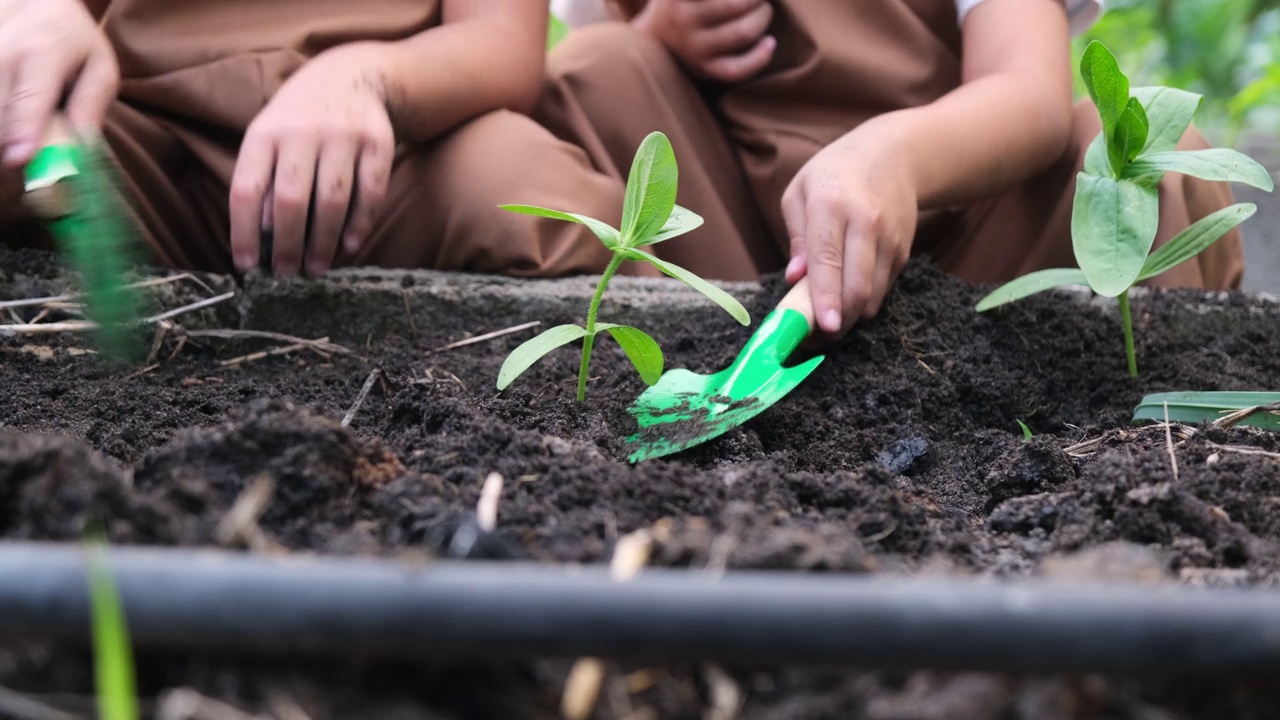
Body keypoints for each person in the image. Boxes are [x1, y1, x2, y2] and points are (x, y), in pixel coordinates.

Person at [537, 0, 1246, 340]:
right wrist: (658, 29)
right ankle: (667, 362)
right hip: (731, 270)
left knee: (1152, 153)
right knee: (596, 70)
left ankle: (1148, 438)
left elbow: (1030, 93)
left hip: (978, 270)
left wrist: (892, 159)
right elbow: (603, 75)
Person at [0, 0, 632, 280]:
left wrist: (364, 77)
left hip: (388, 160)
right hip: (152, 149)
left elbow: (503, 43)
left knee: (535, 198)